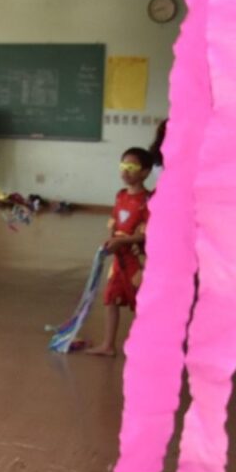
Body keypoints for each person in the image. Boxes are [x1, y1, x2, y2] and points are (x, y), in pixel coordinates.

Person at [85, 148, 154, 357]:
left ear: (145, 172)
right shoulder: (121, 195)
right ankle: (108, 344)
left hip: (137, 261)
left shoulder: (149, 200)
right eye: (123, 167)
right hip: (119, 259)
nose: (125, 172)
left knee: (142, 303)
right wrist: (111, 237)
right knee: (111, 298)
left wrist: (122, 240)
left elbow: (149, 233)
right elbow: (115, 221)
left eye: (131, 168)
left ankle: (147, 346)